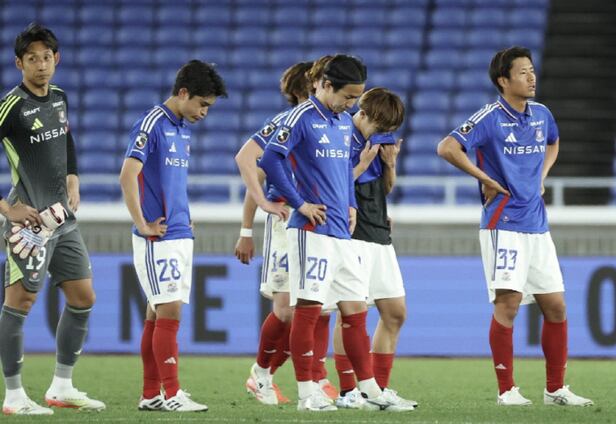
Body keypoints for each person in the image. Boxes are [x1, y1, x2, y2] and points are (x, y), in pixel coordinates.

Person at [437, 46, 593, 407]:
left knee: (556, 306)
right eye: (523, 72)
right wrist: (484, 178)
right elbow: (447, 147)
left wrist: (542, 176)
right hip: (503, 224)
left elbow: (553, 142)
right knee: (508, 305)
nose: (531, 77)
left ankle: (555, 389)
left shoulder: (542, 114)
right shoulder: (490, 117)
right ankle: (506, 390)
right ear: (503, 80)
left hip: (537, 225)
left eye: (532, 70)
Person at [260, 54, 397, 412]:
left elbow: (343, 171)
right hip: (311, 230)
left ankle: (368, 389)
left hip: (341, 231)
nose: (351, 104)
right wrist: (300, 203)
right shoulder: (301, 117)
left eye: (356, 98)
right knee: (309, 309)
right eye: (347, 96)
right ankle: (307, 393)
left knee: (355, 310)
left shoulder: (342, 122)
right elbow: (269, 159)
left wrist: (351, 203)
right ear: (324, 85)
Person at [0, 23, 105, 416]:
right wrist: (7, 209)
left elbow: (66, 138)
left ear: (56, 59)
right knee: (20, 301)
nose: (41, 65)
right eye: (32, 59)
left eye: (46, 57)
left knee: (83, 297)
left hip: (63, 219)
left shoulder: (59, 98)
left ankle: (61, 387)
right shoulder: (11, 107)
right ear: (19, 63)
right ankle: (13, 396)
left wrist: (73, 176)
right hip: (28, 222)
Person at [119, 60, 227, 412]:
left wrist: (184, 216)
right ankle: (172, 392)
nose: (204, 112)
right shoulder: (152, 123)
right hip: (158, 236)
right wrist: (142, 223)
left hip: (179, 232)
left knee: (157, 314)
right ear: (183, 93)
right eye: (202, 104)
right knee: (170, 311)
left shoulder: (181, 129)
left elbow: (171, 181)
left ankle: (152, 394)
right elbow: (127, 175)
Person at [235, 58, 338, 405]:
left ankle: (316, 376)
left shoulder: (330, 124)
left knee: (320, 306)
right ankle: (262, 373)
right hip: (285, 219)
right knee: (285, 310)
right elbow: (255, 173)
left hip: (320, 220)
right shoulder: (284, 123)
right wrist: (246, 228)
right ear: (306, 87)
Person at [332, 88, 416, 411]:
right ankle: (348, 391)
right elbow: (330, 187)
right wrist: (360, 165)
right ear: (363, 114)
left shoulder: (378, 140)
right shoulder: (341, 137)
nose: (383, 133)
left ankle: (378, 389)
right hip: (351, 234)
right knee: (350, 315)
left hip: (379, 232)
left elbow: (384, 189)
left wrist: (390, 165)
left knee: (395, 313)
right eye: (380, 126)